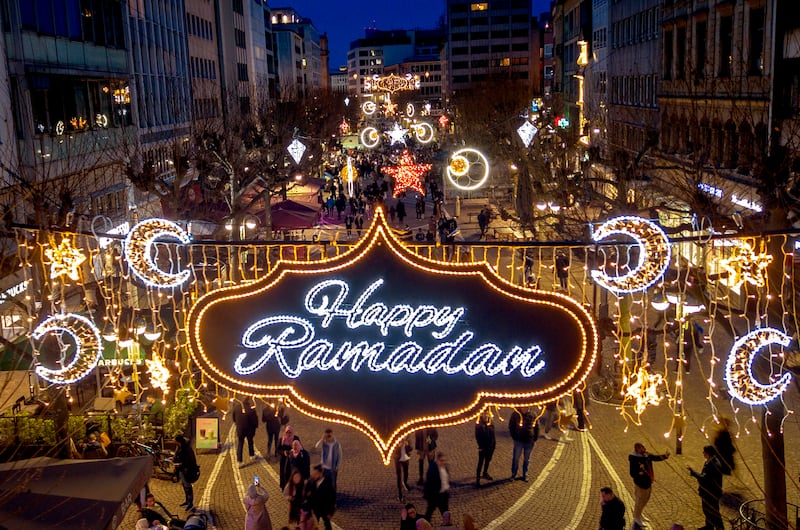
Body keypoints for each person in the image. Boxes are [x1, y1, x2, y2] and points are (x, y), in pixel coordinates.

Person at [628, 442, 670, 528]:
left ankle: (639, 514)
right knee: (640, 501)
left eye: (643, 447)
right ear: (637, 450)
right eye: (641, 448)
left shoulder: (646, 455)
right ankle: (636, 517)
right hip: (641, 483)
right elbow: (632, 472)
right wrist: (638, 473)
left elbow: (655, 457)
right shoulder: (634, 459)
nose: (643, 449)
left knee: (646, 499)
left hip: (648, 482)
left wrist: (665, 456)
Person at [688, 445, 724, 530]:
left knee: (714, 513)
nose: (703, 453)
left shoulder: (713, 465)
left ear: (708, 454)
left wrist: (693, 472)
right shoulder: (709, 461)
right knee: (707, 511)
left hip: (711, 493)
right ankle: (709, 526)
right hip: (707, 492)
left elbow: (704, 478)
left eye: (704, 452)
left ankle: (720, 528)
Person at [509, 406, 538, 482]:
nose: (526, 408)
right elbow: (511, 426)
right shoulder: (516, 414)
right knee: (516, 459)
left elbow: (537, 427)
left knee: (527, 459)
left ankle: (525, 474)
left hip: (529, 441)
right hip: (519, 441)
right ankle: (513, 474)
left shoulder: (533, 414)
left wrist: (534, 439)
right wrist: (514, 437)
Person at [306, 464, 336, 530]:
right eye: (313, 473)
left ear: (321, 473)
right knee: (313, 524)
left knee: (327, 524)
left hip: (325, 509)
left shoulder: (328, 484)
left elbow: (332, 499)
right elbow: (308, 491)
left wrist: (330, 512)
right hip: (315, 508)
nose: (313, 475)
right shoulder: (312, 481)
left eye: (315, 474)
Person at [423, 452, 451, 524]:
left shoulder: (445, 467)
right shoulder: (432, 469)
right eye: (441, 460)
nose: (443, 462)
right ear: (437, 460)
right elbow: (429, 483)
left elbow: (446, 479)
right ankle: (425, 524)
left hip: (443, 494)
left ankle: (447, 524)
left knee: (445, 511)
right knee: (430, 511)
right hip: (435, 495)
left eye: (444, 460)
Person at [174, 435, 199, 512]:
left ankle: (190, 503)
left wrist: (179, 464)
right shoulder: (180, 447)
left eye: (175, 441)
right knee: (185, 485)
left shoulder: (186, 449)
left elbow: (188, 461)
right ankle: (187, 501)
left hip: (187, 471)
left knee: (188, 486)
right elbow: (178, 456)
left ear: (178, 441)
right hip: (182, 470)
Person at [233, 397, 259, 467]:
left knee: (240, 444)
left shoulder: (236, 407)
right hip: (249, 429)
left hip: (240, 429)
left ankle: (239, 461)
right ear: (249, 400)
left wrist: (238, 424)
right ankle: (252, 455)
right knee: (250, 441)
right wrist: (256, 426)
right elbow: (255, 420)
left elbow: (234, 418)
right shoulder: (251, 409)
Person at [474, 410, 496, 487]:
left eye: (487, 414)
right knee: (480, 462)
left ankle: (485, 473)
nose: (486, 415)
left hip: (490, 446)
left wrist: (493, 445)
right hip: (483, 446)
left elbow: (493, 435)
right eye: (484, 414)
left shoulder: (491, 423)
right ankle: (477, 478)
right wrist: (480, 446)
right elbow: (477, 437)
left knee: (488, 460)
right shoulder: (479, 424)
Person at [395, 436, 413, 502]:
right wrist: (399, 446)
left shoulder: (408, 439)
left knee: (406, 472)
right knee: (399, 476)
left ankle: (405, 482)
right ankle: (400, 494)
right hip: (398, 459)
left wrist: (407, 445)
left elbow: (411, 449)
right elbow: (393, 451)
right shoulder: (396, 439)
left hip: (405, 459)